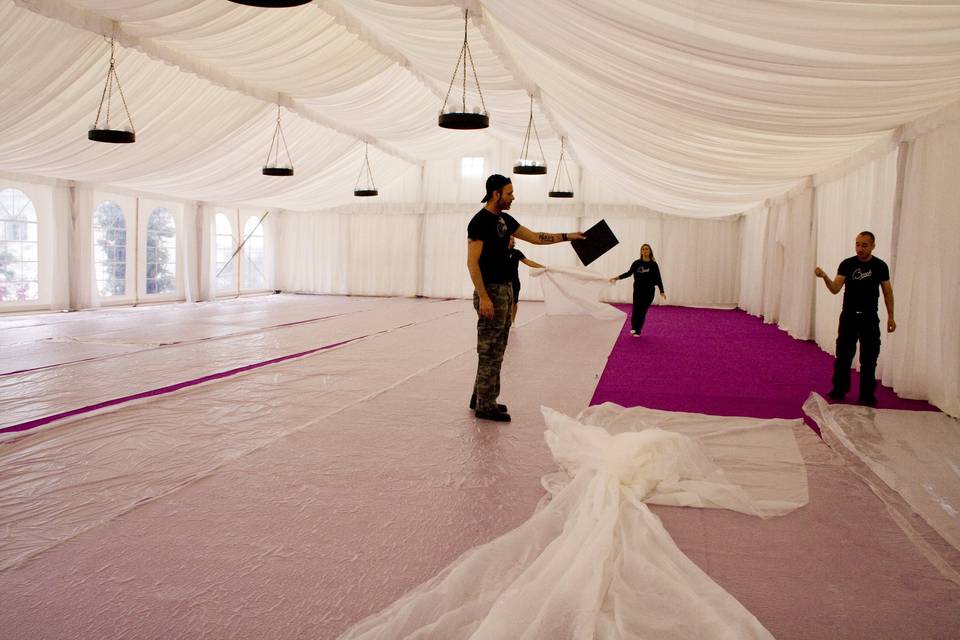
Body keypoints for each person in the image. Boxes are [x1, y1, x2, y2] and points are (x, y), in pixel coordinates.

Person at [467, 174, 585, 422]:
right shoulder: (479, 222)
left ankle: (482, 396)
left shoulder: (505, 220)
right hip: (491, 291)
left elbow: (535, 237)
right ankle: (485, 406)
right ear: (495, 193)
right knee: (489, 350)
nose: (513, 197)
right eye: (509, 193)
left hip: (505, 290)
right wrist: (484, 297)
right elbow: (472, 262)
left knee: (497, 349)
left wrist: (567, 236)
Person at [814, 231, 896, 406]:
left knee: (869, 357)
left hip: (870, 318)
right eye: (857, 244)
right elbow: (835, 288)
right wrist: (825, 277)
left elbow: (887, 292)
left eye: (864, 245)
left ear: (873, 246)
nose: (860, 248)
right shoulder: (847, 264)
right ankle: (839, 390)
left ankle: (867, 394)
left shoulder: (880, 266)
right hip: (849, 317)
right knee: (843, 355)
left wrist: (891, 317)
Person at [609, 243, 666, 336]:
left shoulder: (653, 264)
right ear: (641, 251)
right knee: (636, 310)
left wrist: (662, 291)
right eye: (643, 249)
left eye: (647, 249)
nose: (645, 251)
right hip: (638, 291)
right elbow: (629, 273)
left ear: (650, 251)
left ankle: (638, 330)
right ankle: (634, 327)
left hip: (649, 292)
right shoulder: (636, 263)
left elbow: (658, 278)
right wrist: (617, 277)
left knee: (642, 311)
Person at [507, 236, 545, 324]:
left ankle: (512, 321)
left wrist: (543, 267)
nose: (513, 240)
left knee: (514, 302)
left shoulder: (516, 252)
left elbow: (528, 262)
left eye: (514, 239)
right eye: (511, 239)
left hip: (514, 282)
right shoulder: (498, 251)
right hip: (501, 282)